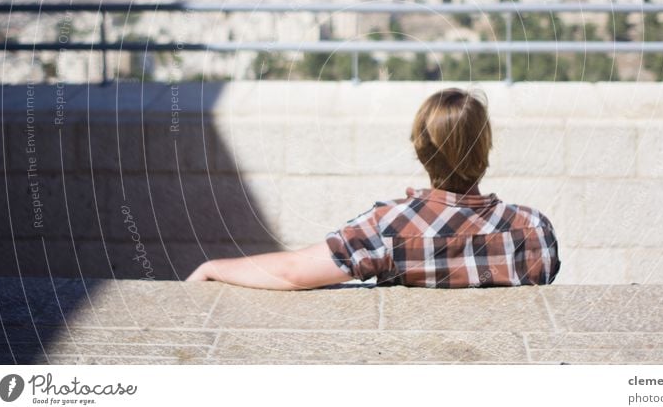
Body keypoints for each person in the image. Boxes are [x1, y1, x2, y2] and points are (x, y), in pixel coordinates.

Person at [186, 87, 561, 289]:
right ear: (486, 147)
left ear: (420, 149)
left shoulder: (389, 227)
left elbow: (294, 272)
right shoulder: (535, 232)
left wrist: (213, 267)